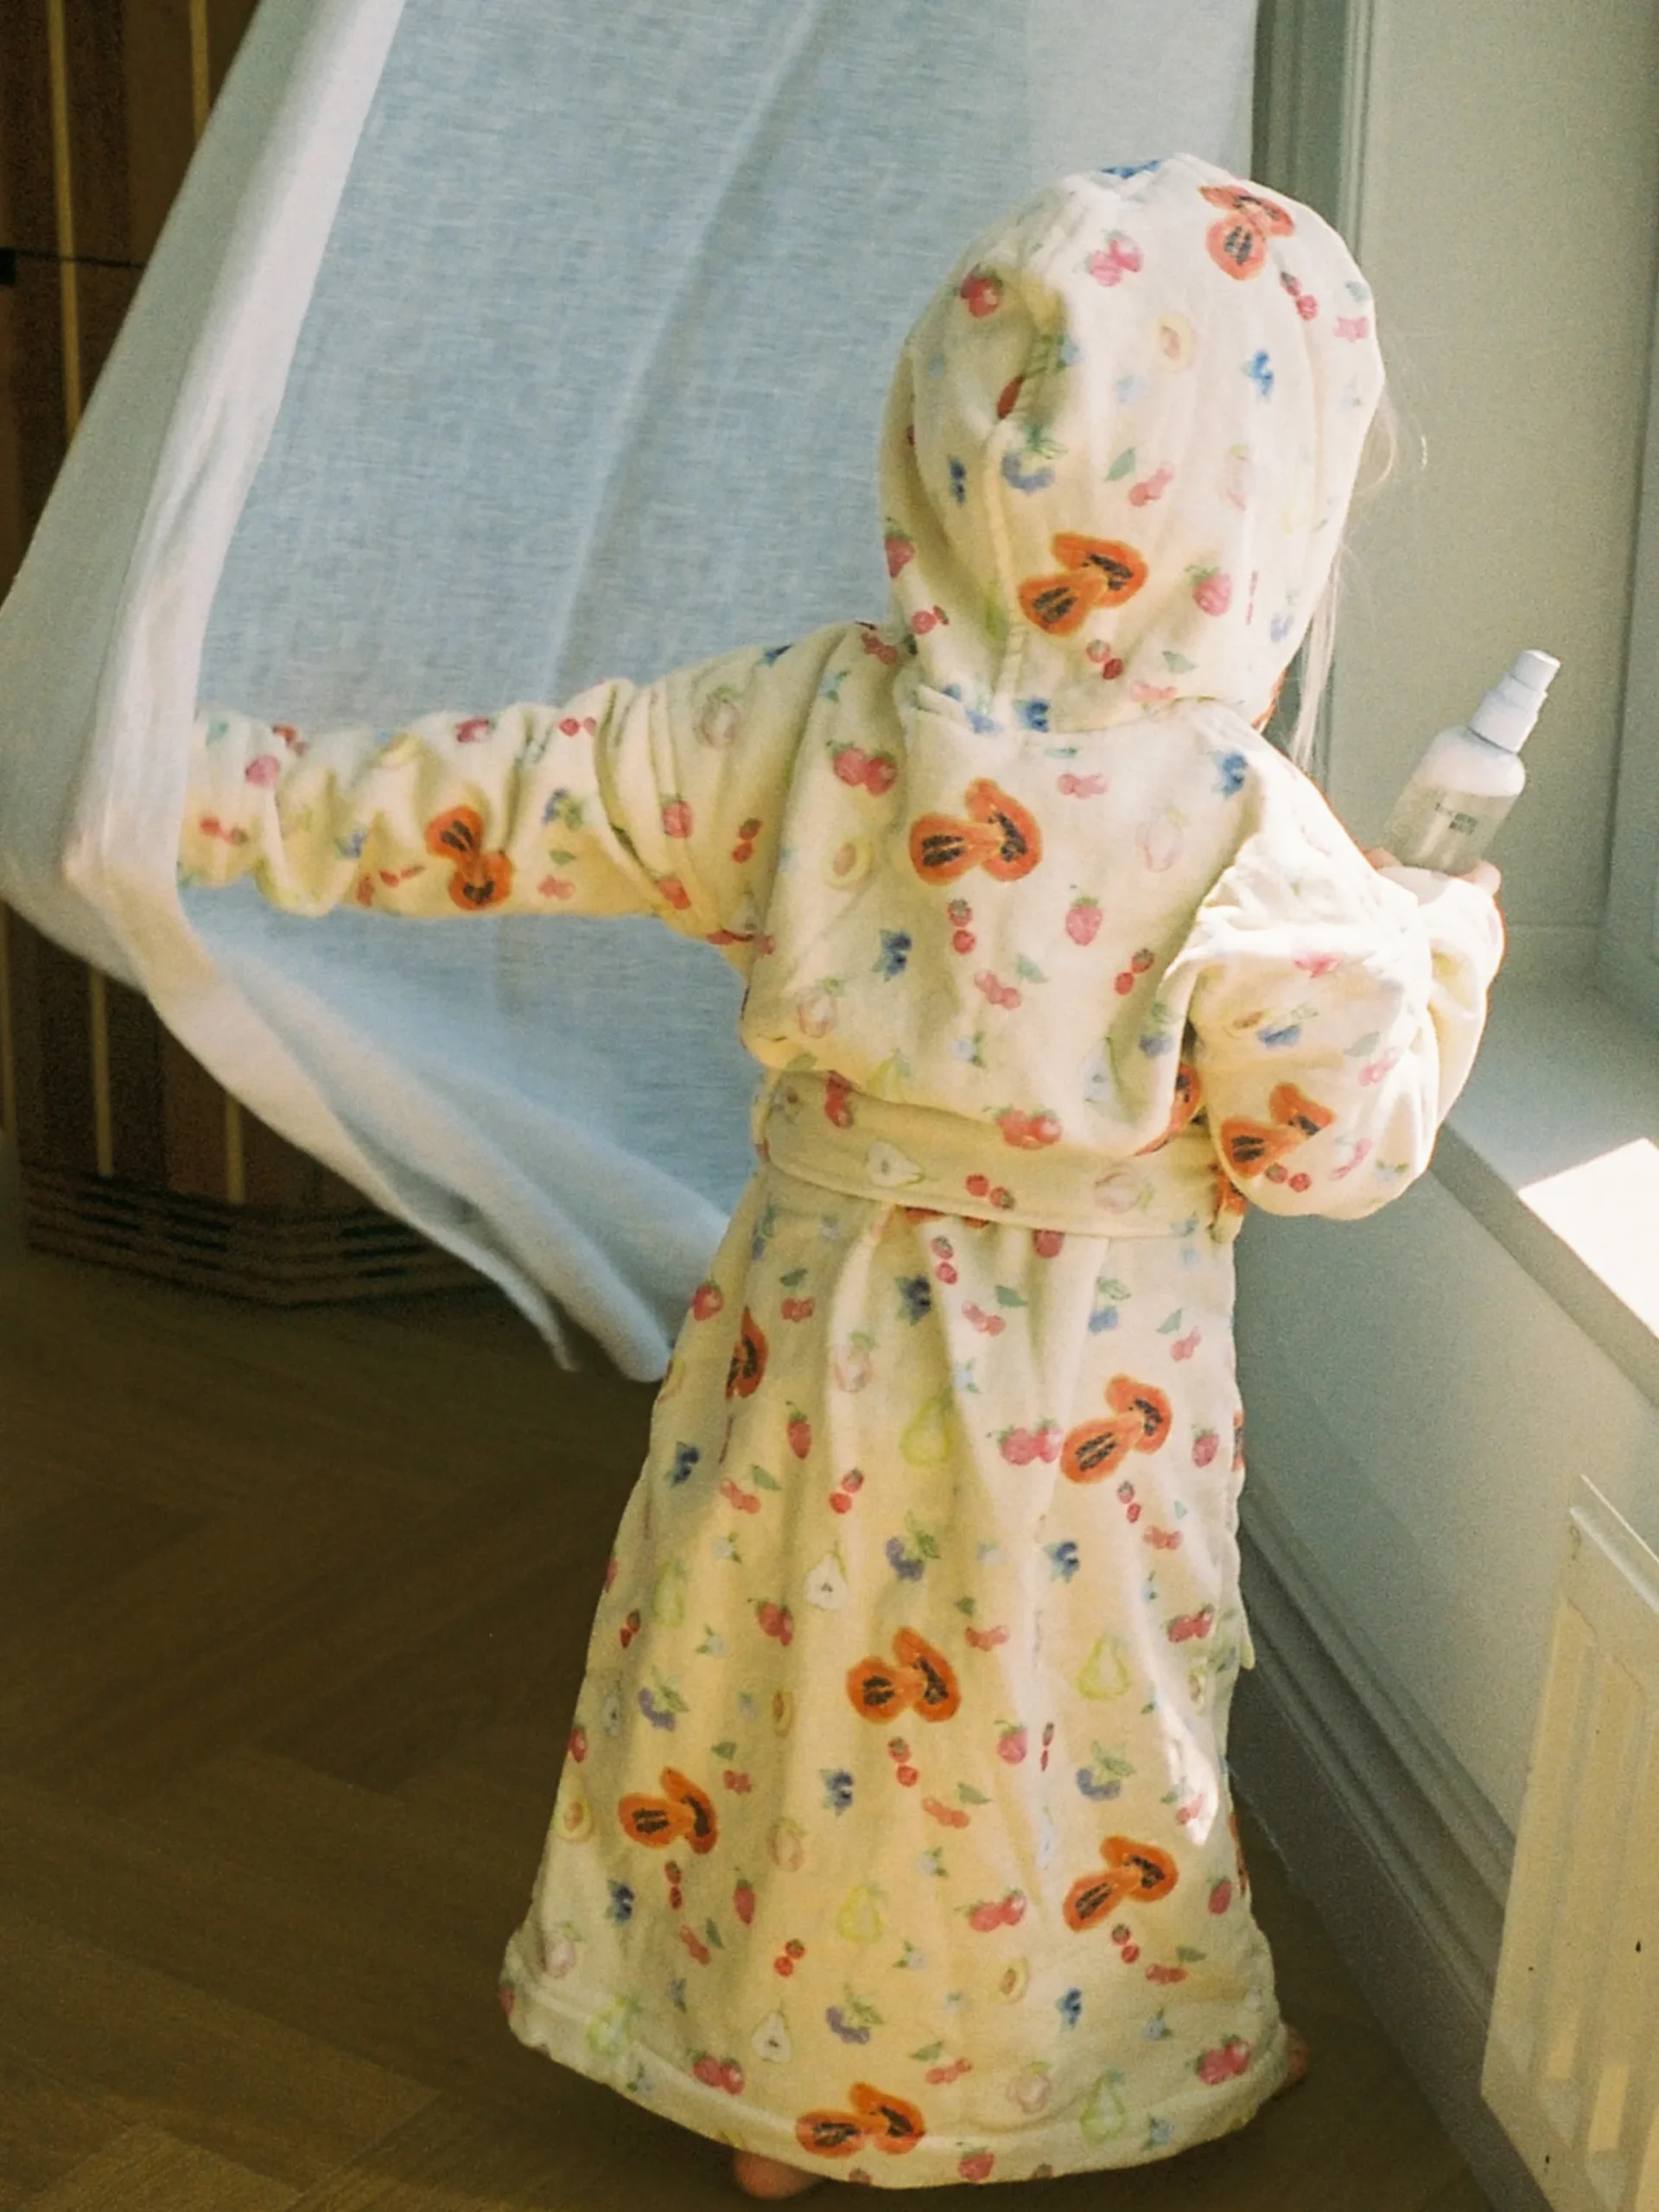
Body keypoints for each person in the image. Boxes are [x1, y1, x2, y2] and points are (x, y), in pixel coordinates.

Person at [181, 154, 1503, 2195]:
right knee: (1071, 1718)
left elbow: (505, 797)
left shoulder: (804, 721)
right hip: (1095, 1390)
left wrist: (186, 791)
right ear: (1266, 502)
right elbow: (1327, 1147)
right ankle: (1079, 2068)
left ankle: (775, 2085)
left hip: (817, 1337)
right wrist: (1437, 957)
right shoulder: (1256, 828)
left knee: (780, 1671)